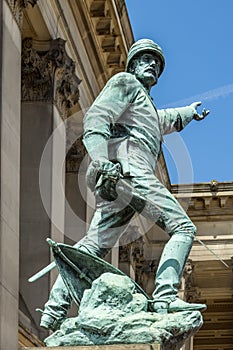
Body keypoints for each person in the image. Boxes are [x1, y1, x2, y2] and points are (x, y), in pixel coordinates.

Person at [40, 39, 209, 331]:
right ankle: (166, 296)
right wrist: (101, 160)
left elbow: (161, 120)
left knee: (93, 246)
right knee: (183, 227)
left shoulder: (143, 104)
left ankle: (54, 309)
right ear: (132, 65)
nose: (153, 65)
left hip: (124, 176)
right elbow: (96, 117)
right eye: (146, 59)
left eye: (157, 62)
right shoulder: (125, 83)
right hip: (129, 171)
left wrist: (188, 113)